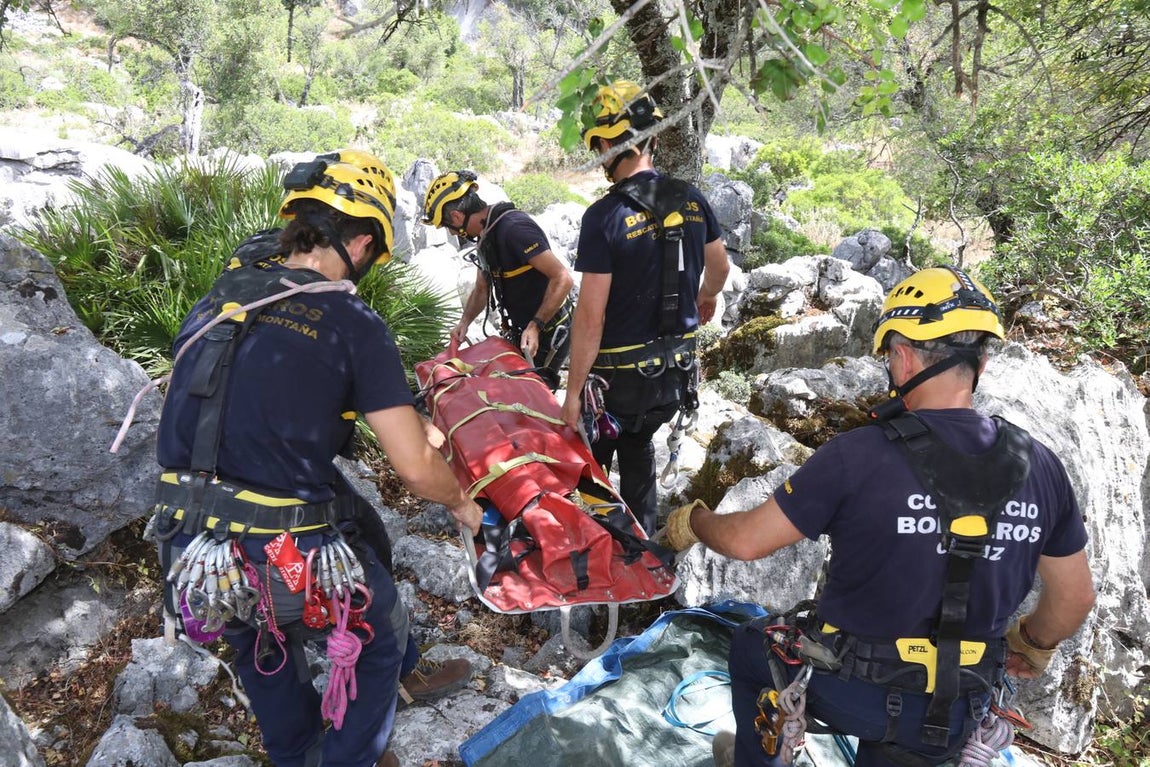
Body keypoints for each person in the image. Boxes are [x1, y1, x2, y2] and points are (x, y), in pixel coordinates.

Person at [664, 266, 1096, 766]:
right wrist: (1032, 643)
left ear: (904, 357)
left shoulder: (858, 455)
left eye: (891, 355)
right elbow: (1074, 598)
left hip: (854, 689)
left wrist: (694, 521)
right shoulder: (1040, 464)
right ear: (980, 360)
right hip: (961, 700)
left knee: (749, 646)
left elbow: (745, 541)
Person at [149, 150, 483, 767]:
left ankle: (299, 749)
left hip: (189, 549)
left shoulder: (218, 302)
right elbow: (412, 468)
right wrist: (461, 499)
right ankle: (354, 750)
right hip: (279, 558)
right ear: (359, 241)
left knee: (255, 634)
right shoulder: (350, 321)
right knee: (380, 635)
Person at [560, 80, 730, 534]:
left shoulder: (603, 218)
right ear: (651, 139)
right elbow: (720, 267)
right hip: (672, 378)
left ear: (611, 143)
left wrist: (574, 394)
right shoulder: (693, 200)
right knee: (638, 449)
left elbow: (590, 317)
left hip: (617, 384)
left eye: (600, 145)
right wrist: (707, 296)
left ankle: (596, 546)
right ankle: (640, 550)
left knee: (592, 461)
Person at [422, 170, 575, 385]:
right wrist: (464, 323)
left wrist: (535, 326)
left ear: (457, 216)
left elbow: (562, 278)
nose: (453, 233)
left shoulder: (514, 229)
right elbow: (482, 289)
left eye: (448, 227)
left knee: (532, 397)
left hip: (549, 330)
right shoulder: (486, 235)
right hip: (523, 330)